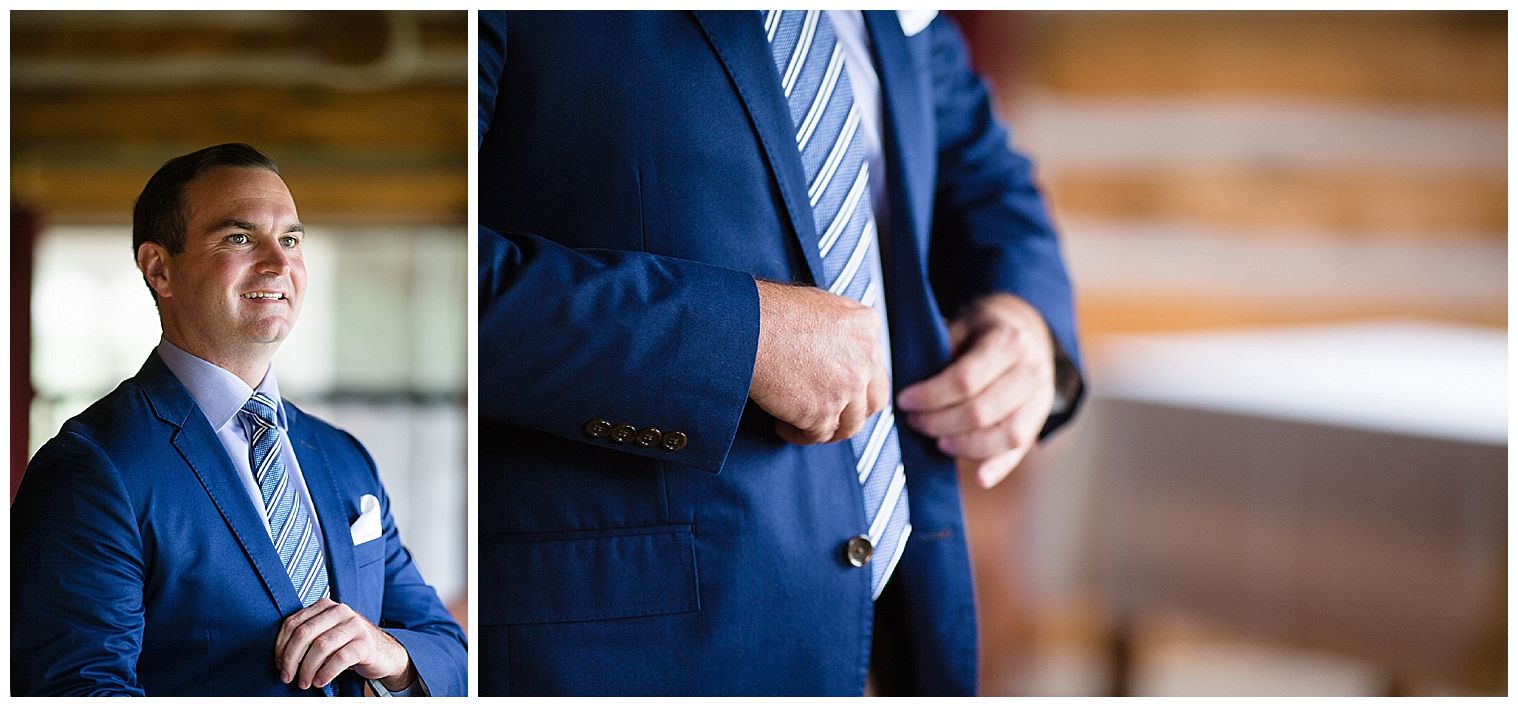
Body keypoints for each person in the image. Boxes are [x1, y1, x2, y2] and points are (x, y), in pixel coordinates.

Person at [477, 10, 1085, 696]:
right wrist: (740, 339)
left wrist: (1025, 319)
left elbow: (982, 175)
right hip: (633, 641)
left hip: (902, 621)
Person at [11, 143, 467, 696]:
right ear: (159, 268)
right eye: (239, 237)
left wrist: (387, 652)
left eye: (291, 239)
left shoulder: (343, 455)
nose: (279, 263)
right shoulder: (91, 466)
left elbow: (449, 651)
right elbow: (77, 691)